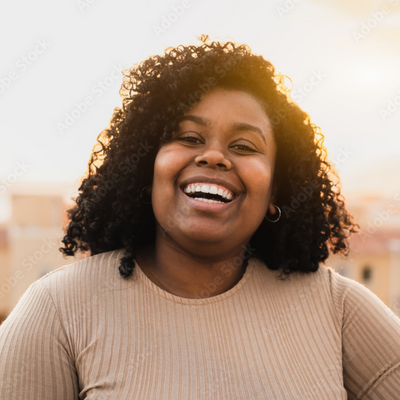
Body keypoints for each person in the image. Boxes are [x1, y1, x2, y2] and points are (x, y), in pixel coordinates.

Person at [1, 36, 400, 399]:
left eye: (244, 145)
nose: (213, 156)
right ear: (146, 167)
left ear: (277, 188)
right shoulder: (58, 309)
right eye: (189, 138)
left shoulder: (337, 307)